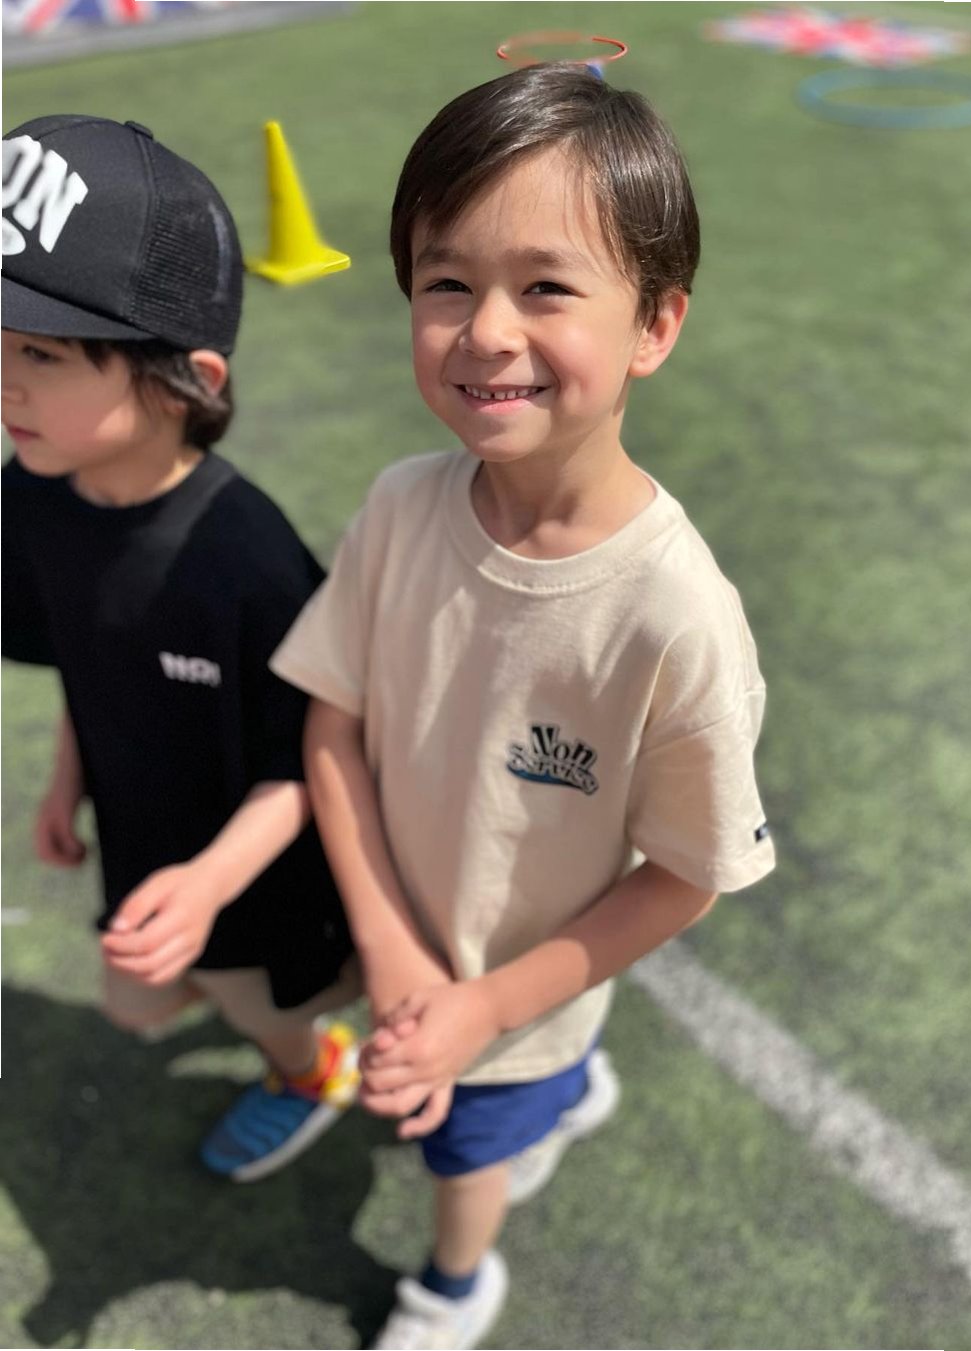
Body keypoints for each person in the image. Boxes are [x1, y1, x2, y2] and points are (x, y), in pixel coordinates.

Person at [271, 64, 776, 1350]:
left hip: (518, 1014)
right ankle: (562, 1094)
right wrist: (393, 951)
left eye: (546, 286)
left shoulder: (675, 616)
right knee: (440, 1109)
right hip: (403, 949)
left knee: (462, 1156)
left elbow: (685, 875)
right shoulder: (400, 506)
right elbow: (332, 723)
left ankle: (453, 1286)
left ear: (655, 323)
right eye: (446, 282)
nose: (486, 330)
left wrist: (485, 1010)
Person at [1, 115, 364, 1184]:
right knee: (141, 1003)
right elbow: (83, 657)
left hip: (255, 871)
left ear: (184, 380)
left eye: (40, 353)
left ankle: (310, 1071)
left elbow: (308, 760)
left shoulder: (246, 561)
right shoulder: (32, 496)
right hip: (142, 835)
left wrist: (208, 885)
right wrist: (66, 782)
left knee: (261, 1005)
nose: (5, 380)